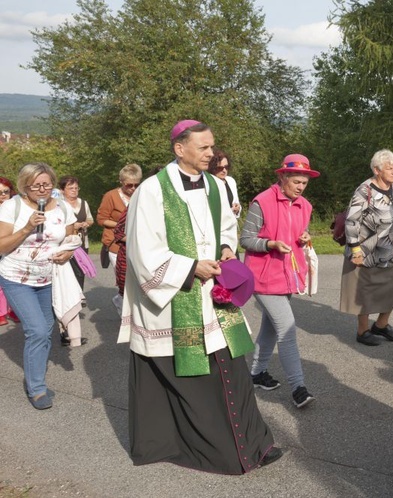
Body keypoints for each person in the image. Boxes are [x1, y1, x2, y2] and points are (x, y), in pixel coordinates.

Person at [116, 120, 280, 473]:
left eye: (211, 147)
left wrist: (224, 248)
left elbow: (225, 226)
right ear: (180, 148)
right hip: (177, 296)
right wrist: (191, 268)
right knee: (200, 376)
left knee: (234, 366)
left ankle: (254, 443)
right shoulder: (152, 190)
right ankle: (220, 449)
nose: (211, 153)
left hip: (213, 291)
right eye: (204, 147)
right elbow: (143, 250)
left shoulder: (214, 185)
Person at [240, 153, 318, 408]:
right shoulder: (262, 201)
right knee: (286, 328)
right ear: (282, 176)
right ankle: (299, 388)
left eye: (304, 183)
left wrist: (304, 238)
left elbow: (299, 233)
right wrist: (269, 244)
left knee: (271, 328)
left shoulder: (305, 205)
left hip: (289, 275)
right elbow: (246, 239)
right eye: (296, 181)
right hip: (263, 277)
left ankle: (257, 373)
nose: (300, 187)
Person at [0, 163, 77, 409]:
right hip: (16, 278)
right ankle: (37, 389)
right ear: (25, 186)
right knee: (37, 330)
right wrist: (27, 228)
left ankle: (36, 377)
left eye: (47, 184)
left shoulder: (62, 206)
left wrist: (68, 253)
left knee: (46, 328)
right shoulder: (11, 207)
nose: (43, 190)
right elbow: (1, 246)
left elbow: (71, 237)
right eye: (36, 186)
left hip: (47, 278)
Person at [339, 149, 393, 346]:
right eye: (389, 168)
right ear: (377, 170)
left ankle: (381, 325)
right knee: (365, 292)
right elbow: (351, 221)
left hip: (391, 249)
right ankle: (363, 331)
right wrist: (355, 250)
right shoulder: (364, 191)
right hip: (366, 251)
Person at [97, 163, 142, 314]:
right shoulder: (111, 196)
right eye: (129, 185)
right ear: (121, 181)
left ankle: (125, 304)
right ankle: (125, 311)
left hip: (136, 243)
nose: (133, 188)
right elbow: (101, 219)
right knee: (124, 279)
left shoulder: (140, 194)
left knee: (136, 279)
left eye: (137, 184)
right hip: (116, 244)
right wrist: (121, 225)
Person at [58, 176, 93, 292]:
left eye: (76, 188)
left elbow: (90, 219)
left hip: (82, 242)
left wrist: (86, 224)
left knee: (80, 270)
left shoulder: (83, 203)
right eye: (70, 188)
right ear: (62, 190)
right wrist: (73, 226)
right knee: (67, 271)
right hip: (64, 243)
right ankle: (68, 297)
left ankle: (79, 295)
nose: (74, 190)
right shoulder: (58, 205)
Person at [0, 177, 20, 327]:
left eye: (5, 192)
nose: (2, 195)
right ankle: (1, 313)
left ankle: (13, 309)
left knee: (14, 281)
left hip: (13, 248)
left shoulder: (16, 208)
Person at [208, 148, 242, 217]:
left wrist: (238, 208)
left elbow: (236, 202)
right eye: (220, 168)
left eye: (226, 167)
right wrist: (230, 211)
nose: (224, 170)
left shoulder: (231, 181)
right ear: (213, 168)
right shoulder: (208, 184)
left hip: (232, 225)